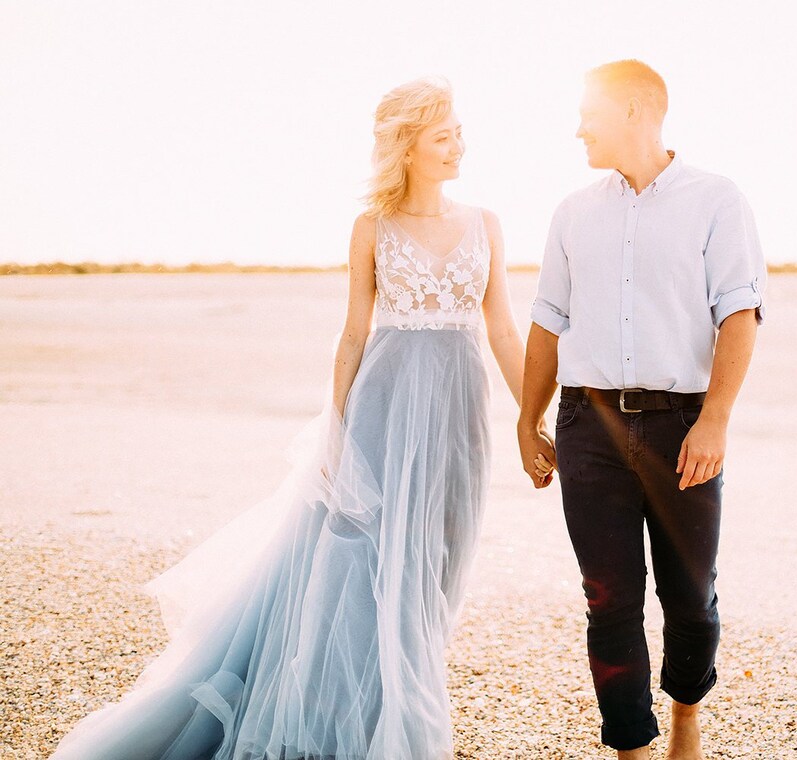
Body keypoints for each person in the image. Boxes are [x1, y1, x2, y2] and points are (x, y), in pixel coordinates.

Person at [52, 77, 553, 760]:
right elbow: (354, 335)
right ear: (407, 147)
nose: (459, 144)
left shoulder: (485, 223)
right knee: (365, 566)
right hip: (381, 407)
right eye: (444, 136)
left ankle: (401, 700)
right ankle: (373, 727)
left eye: (459, 131)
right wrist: (336, 432)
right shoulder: (371, 227)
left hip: (458, 413)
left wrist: (533, 417)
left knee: (438, 561)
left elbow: (501, 330)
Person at [517, 60, 766, 759]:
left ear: (632, 109)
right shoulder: (572, 211)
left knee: (690, 594)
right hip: (587, 427)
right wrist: (526, 418)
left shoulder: (717, 200)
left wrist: (714, 420)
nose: (576, 130)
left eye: (586, 115)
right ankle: (630, 745)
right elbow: (546, 321)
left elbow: (740, 313)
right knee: (609, 600)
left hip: (682, 423)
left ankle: (686, 712)